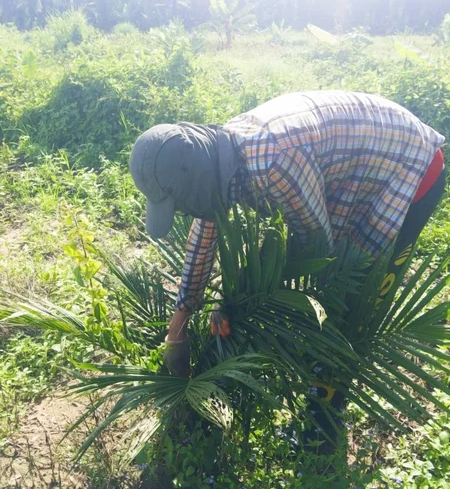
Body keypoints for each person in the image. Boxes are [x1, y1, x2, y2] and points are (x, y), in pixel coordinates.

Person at [129, 91, 446, 382]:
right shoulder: (211, 156)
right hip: (351, 172)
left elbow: (318, 250)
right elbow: (204, 235)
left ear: (195, 184)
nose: (185, 213)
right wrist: (177, 332)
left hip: (409, 169)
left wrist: (236, 301)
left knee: (351, 292)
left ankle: (326, 413)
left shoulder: (274, 161)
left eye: (180, 206)